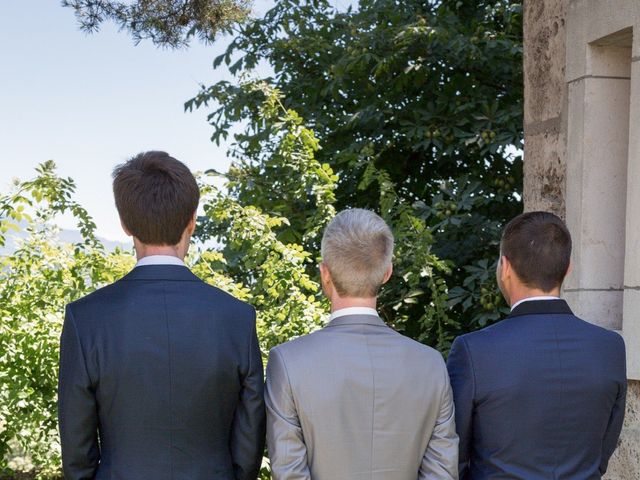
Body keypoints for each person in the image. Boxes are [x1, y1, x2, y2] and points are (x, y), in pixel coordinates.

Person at [58, 151, 265, 480]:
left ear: (125, 224)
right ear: (192, 221)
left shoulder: (85, 319)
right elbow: (249, 440)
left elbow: (77, 453)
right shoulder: (237, 318)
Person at [265, 208, 458, 480]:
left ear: (325, 273)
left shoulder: (288, 362)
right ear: (387, 273)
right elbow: (442, 474)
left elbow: (289, 474)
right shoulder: (431, 365)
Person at [447, 211, 627, 479]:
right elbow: (602, 453)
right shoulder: (610, 347)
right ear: (568, 268)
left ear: (505, 267)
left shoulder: (473, 350)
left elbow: (453, 455)